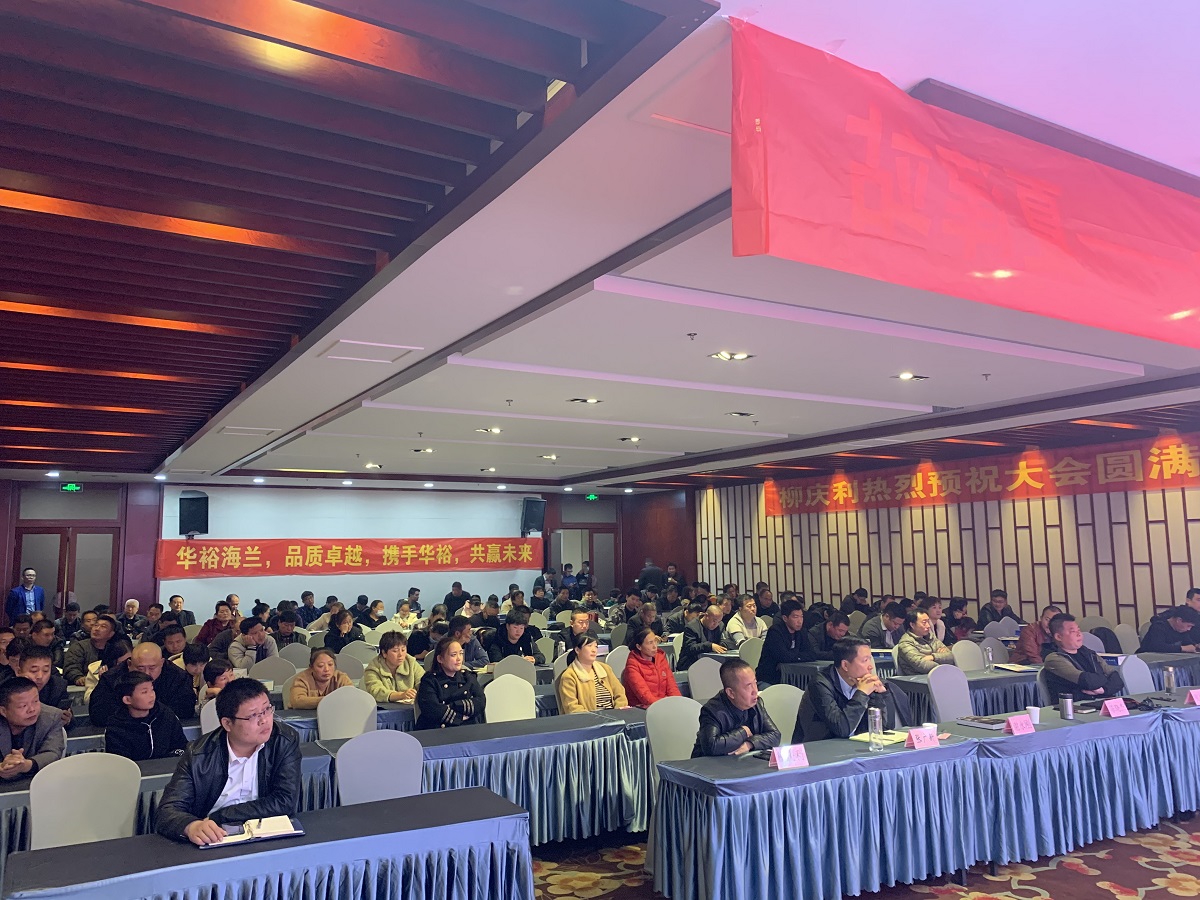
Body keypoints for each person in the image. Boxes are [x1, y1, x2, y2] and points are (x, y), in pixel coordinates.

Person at [157, 678, 301, 845]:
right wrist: (191, 826)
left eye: (267, 709)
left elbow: (285, 800)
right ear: (227, 723)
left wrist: (221, 816)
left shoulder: (284, 740)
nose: (264, 720)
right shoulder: (198, 754)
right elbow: (168, 810)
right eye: (253, 715)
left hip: (266, 838)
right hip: (214, 839)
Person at [794, 638, 906, 742]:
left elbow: (884, 728)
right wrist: (862, 694)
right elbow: (841, 729)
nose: (870, 667)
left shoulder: (865, 682)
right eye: (865, 660)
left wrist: (882, 695)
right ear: (845, 665)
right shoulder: (820, 684)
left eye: (870, 659)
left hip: (856, 747)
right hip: (819, 749)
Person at [92, 640, 197, 726]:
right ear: (129, 664)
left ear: (162, 663)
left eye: (152, 668)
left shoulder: (178, 677)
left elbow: (185, 709)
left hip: (164, 729)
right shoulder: (111, 678)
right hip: (124, 729)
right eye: (140, 668)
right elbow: (99, 714)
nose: (146, 673)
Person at [691, 659, 779, 757]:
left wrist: (750, 744)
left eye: (755, 683)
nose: (755, 690)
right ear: (731, 693)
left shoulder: (756, 703)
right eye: (748, 686)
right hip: (708, 764)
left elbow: (775, 735)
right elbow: (711, 746)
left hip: (743, 762)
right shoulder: (712, 710)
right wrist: (743, 732)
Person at [104, 672, 188, 761]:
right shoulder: (116, 728)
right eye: (144, 692)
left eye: (152, 690)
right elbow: (121, 763)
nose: (151, 695)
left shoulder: (165, 714)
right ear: (127, 699)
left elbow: (181, 745)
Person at [1042, 614, 1125, 701]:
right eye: (1073, 631)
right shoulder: (1054, 658)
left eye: (1079, 630)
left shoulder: (1089, 653)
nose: (1079, 634)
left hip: (1101, 701)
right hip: (1076, 705)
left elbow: (1117, 680)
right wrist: (1106, 679)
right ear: (1058, 637)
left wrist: (1103, 690)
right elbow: (1088, 681)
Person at [0, 677, 63, 780]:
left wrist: (25, 765)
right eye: (23, 706)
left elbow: (52, 753)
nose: (32, 709)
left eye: (35, 701)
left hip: (36, 781)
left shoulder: (51, 717)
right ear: (3, 711)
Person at [416, 637, 486, 729]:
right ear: (440, 659)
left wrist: (453, 706)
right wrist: (459, 717)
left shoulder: (468, 677)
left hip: (468, 728)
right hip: (438, 730)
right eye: (453, 655)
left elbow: (481, 701)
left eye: (461, 653)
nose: (459, 659)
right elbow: (432, 709)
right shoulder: (429, 680)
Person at [557, 633, 627, 714]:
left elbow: (620, 694)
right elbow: (571, 707)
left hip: (614, 715)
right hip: (588, 718)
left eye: (596, 646)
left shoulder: (605, 669)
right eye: (589, 646)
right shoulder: (569, 676)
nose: (594, 650)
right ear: (577, 650)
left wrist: (618, 711)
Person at [622, 626, 680, 709]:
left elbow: (672, 687)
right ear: (639, 647)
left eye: (655, 641)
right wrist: (666, 706)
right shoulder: (632, 665)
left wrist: (678, 704)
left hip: (664, 706)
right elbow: (646, 698)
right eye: (650, 643)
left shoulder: (660, 658)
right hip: (642, 709)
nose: (655, 646)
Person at [753, 599, 806, 684]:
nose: (800, 621)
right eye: (796, 617)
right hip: (770, 678)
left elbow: (811, 654)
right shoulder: (775, 632)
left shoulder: (801, 632)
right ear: (785, 618)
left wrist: (795, 656)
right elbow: (783, 657)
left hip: (792, 678)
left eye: (801, 616)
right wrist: (799, 655)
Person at [18, 645, 72, 727]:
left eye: (45, 671)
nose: (40, 676)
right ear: (19, 671)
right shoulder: (7, 689)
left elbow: (70, 720)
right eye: (34, 671)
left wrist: (67, 719)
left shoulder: (57, 686)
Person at [363, 631, 423, 703]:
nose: (401, 654)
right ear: (384, 653)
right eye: (395, 651)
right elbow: (376, 691)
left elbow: (424, 683)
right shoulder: (373, 668)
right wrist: (400, 695)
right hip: (382, 708)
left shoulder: (411, 663)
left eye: (403, 650)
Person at [895, 609, 955, 675]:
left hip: (938, 675)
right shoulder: (905, 643)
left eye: (928, 622)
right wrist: (943, 663)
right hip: (917, 678)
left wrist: (933, 657)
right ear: (912, 625)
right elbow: (922, 665)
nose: (928, 626)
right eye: (924, 622)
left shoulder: (931, 637)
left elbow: (951, 657)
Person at [63, 614, 116, 686]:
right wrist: (78, 677)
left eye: (103, 626)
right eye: (96, 625)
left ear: (111, 634)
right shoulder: (79, 647)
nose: (97, 629)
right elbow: (71, 667)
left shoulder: (113, 650)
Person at [679, 604, 729, 670]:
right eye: (714, 620)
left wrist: (722, 646)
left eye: (719, 621)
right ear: (706, 615)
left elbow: (725, 641)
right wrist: (710, 646)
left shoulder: (720, 625)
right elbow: (690, 648)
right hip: (691, 663)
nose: (716, 624)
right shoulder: (691, 627)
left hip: (713, 663)